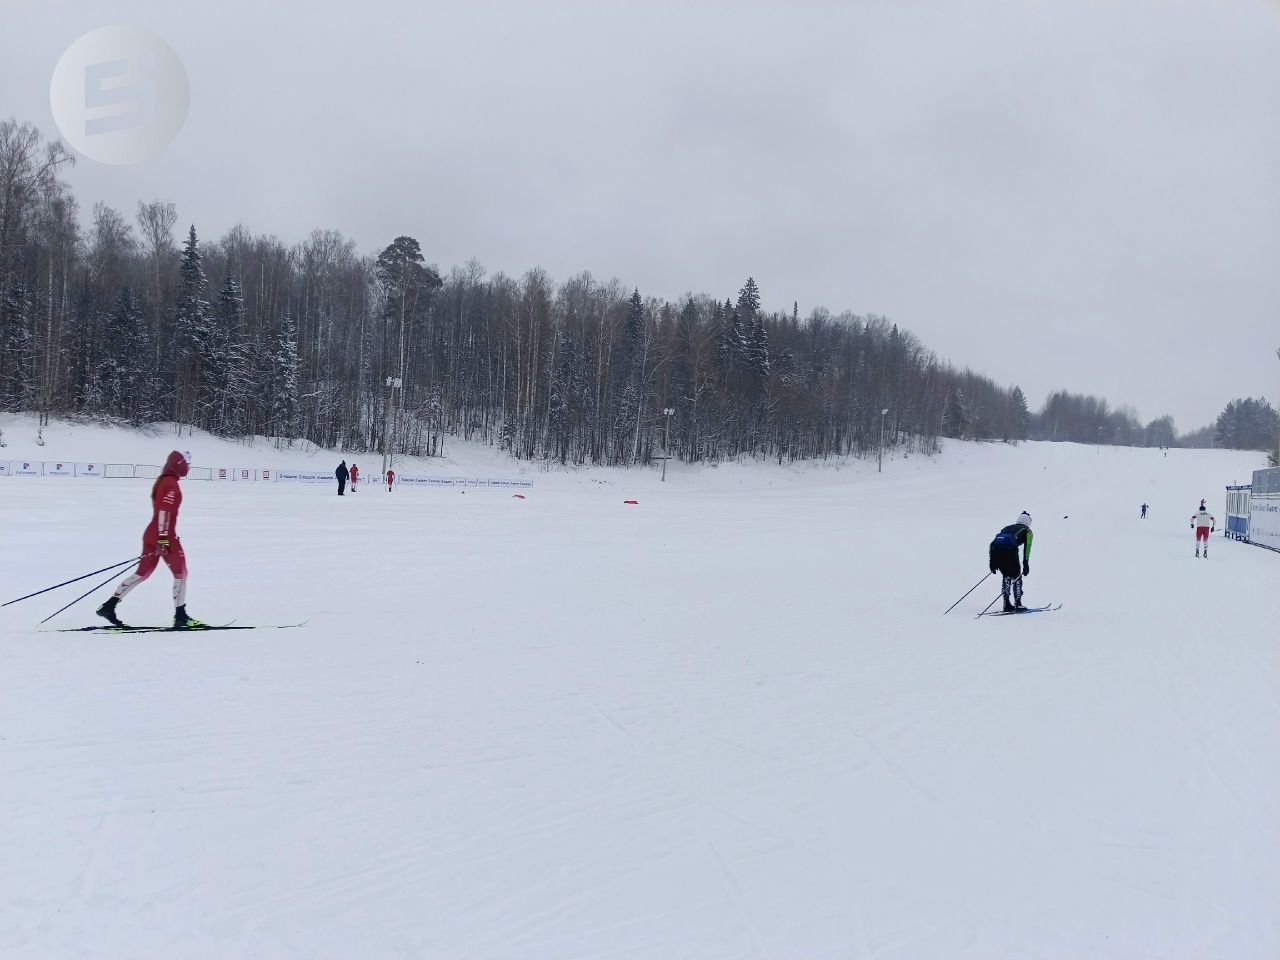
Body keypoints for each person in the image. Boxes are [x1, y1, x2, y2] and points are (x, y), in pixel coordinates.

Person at [96, 450, 204, 629]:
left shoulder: (164, 480)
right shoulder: (170, 483)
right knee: (181, 573)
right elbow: (164, 511)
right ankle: (181, 616)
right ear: (180, 464)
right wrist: (163, 539)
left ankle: (109, 606)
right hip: (164, 535)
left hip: (152, 533)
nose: (189, 467)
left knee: (142, 573)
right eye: (188, 464)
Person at [989, 511, 1034, 613]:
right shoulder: (1027, 531)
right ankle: (1018, 604)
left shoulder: (1006, 528)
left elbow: (993, 543)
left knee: (1006, 576)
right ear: (1028, 522)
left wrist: (992, 562)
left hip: (997, 552)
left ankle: (1006, 603)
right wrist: (1025, 563)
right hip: (1010, 552)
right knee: (1017, 576)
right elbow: (1027, 549)